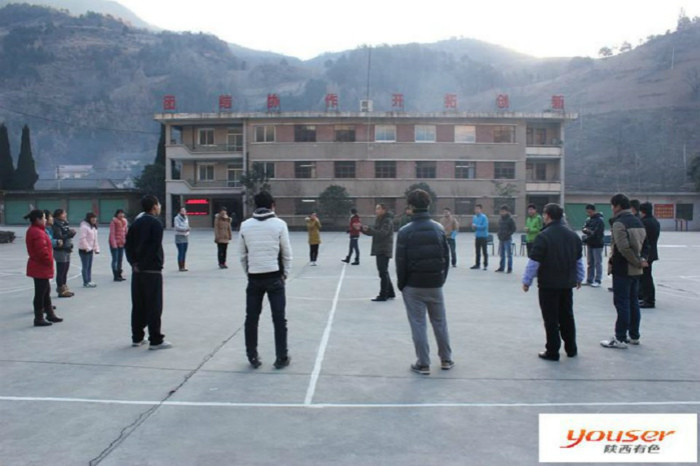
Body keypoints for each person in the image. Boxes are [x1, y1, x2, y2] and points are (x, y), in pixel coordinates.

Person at [396, 189, 454, 375]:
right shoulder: (438, 228)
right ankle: (446, 359)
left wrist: (402, 284)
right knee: (440, 322)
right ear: (428, 205)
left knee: (418, 323)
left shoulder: (405, 231)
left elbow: (400, 261)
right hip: (435, 283)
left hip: (413, 285)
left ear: (411, 206)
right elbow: (446, 257)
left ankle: (423, 363)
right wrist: (441, 279)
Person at [522, 203, 584, 361]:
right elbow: (578, 260)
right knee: (567, 316)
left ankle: (552, 350)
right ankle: (571, 348)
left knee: (551, 318)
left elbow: (534, 262)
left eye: (544, 214)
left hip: (548, 284)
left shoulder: (543, 236)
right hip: (567, 283)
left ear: (547, 216)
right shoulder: (572, 235)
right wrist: (579, 277)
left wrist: (527, 280)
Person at [239, 191, 292, 369]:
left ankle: (252, 356)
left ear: (255, 205)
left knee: (251, 318)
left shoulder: (245, 226)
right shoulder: (280, 224)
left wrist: (249, 272)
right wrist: (285, 274)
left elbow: (242, 255)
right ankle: (281, 357)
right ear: (272, 205)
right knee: (279, 319)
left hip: (254, 277)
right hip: (274, 276)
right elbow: (287, 252)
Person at [600, 194, 648, 349]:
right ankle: (634, 335)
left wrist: (636, 261)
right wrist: (641, 260)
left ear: (618, 206)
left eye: (612, 205)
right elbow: (646, 245)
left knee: (622, 303)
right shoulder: (638, 221)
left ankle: (620, 337)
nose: (612, 208)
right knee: (633, 302)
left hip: (623, 268)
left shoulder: (619, 223)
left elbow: (623, 248)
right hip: (636, 270)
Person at [125, 195, 171, 350]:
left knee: (138, 304)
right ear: (154, 206)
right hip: (152, 270)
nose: (160, 207)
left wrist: (134, 263)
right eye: (158, 204)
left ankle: (137, 337)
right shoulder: (155, 224)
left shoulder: (136, 223)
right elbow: (153, 247)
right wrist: (144, 263)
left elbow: (128, 245)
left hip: (137, 271)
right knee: (154, 305)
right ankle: (155, 340)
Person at [25, 210, 63, 327]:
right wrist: (49, 261)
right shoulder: (37, 232)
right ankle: (39, 318)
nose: (46, 220)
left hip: (40, 266)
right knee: (40, 293)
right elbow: (42, 252)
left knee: (46, 291)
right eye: (44, 218)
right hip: (40, 266)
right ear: (38, 219)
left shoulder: (38, 230)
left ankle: (50, 314)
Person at [362, 203, 396, 302]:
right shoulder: (379, 219)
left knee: (383, 272)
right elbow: (374, 232)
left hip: (384, 249)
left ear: (384, 210)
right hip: (380, 248)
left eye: (378, 208)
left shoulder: (387, 220)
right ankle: (390, 292)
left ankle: (383, 294)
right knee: (384, 271)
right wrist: (364, 230)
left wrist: (370, 230)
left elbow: (382, 233)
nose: (376, 210)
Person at [638, 202, 660, 309]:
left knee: (645, 278)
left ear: (642, 211)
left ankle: (649, 300)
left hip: (646, 253)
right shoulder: (655, 221)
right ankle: (646, 297)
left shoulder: (644, 222)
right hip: (652, 252)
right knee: (647, 276)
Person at [52, 209, 76, 298]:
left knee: (65, 270)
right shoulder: (56, 225)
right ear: (58, 215)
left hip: (67, 248)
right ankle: (60, 289)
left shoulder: (65, 223)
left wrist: (70, 236)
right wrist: (69, 235)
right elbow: (58, 237)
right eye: (63, 213)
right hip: (60, 250)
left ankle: (65, 288)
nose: (65, 214)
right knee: (61, 271)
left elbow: (66, 234)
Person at [582, 204, 605, 287]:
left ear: (594, 211)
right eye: (587, 212)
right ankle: (589, 279)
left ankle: (598, 280)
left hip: (597, 244)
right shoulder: (588, 220)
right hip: (590, 244)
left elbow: (596, 233)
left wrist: (588, 232)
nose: (589, 214)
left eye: (590, 212)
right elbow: (584, 228)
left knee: (597, 262)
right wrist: (587, 231)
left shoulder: (600, 221)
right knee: (590, 263)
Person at [78, 212, 100, 288]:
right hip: (84, 250)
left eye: (95, 218)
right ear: (89, 219)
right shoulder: (84, 227)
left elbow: (95, 239)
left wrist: (96, 248)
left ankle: (89, 280)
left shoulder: (93, 227)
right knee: (85, 266)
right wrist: (87, 248)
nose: (94, 219)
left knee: (89, 266)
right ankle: (86, 282)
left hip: (90, 250)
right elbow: (82, 239)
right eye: (93, 218)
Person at [495, 205, 516, 273]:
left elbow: (513, 229)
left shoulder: (510, 219)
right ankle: (502, 267)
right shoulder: (500, 219)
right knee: (502, 254)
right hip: (501, 239)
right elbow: (499, 228)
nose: (502, 213)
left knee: (509, 254)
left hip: (507, 239)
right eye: (501, 211)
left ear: (507, 211)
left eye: (503, 211)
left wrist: (508, 234)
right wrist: (498, 234)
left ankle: (509, 268)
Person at [109, 209, 128, 281]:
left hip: (121, 244)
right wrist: (114, 245)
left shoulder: (124, 222)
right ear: (116, 214)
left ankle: (119, 274)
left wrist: (126, 242)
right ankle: (115, 276)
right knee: (115, 260)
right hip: (115, 244)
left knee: (120, 260)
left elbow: (126, 233)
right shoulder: (113, 222)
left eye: (122, 213)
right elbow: (112, 234)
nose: (121, 215)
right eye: (119, 213)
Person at [470, 204, 489, 270]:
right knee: (477, 251)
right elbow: (474, 227)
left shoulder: (484, 217)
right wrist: (473, 227)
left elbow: (484, 226)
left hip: (483, 236)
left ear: (481, 209)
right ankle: (477, 264)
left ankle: (485, 265)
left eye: (478, 209)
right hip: (477, 236)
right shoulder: (474, 217)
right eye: (475, 209)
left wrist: (476, 226)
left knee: (484, 251)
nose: (476, 210)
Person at [174, 207, 190, 272]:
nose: (184, 212)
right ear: (179, 211)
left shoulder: (186, 217)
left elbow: (187, 225)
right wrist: (185, 229)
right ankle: (180, 267)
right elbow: (177, 227)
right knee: (181, 252)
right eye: (182, 211)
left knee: (184, 252)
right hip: (179, 236)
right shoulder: (176, 218)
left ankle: (183, 266)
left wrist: (188, 229)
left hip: (185, 236)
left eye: (184, 210)